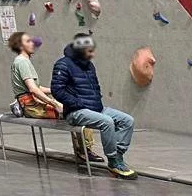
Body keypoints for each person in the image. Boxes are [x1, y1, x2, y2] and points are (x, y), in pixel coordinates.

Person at [50, 32, 136, 180]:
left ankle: (118, 155)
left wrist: (96, 101)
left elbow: (94, 87)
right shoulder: (63, 64)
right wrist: (76, 103)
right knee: (106, 122)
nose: (93, 54)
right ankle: (114, 162)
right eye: (89, 51)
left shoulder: (89, 66)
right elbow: (57, 90)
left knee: (127, 120)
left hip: (96, 108)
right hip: (75, 112)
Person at [7, 32, 60, 120]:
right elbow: (33, 89)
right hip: (33, 107)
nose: (32, 43)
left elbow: (37, 88)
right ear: (20, 46)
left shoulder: (22, 61)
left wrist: (56, 90)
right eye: (28, 41)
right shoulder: (22, 62)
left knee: (74, 110)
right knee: (74, 113)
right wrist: (54, 104)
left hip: (33, 105)